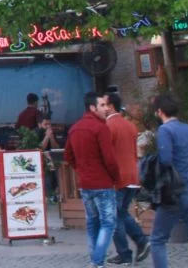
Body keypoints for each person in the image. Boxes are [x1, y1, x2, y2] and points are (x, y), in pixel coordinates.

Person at [149, 93, 188, 268]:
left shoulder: (165, 130)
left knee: (157, 239)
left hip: (176, 192)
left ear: (159, 112)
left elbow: (165, 160)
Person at [65, 91, 121, 268]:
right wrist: (115, 177)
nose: (106, 108)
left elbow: (68, 155)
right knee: (108, 223)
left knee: (92, 222)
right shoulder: (100, 128)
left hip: (86, 183)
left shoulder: (74, 128)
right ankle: (97, 261)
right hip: (103, 183)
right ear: (92, 108)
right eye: (103, 105)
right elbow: (110, 159)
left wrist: (80, 169)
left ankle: (95, 260)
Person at [106, 92, 151, 264]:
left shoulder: (109, 126)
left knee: (115, 216)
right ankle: (141, 242)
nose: (102, 107)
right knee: (122, 213)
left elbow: (108, 155)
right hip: (132, 175)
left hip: (118, 178)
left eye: (104, 104)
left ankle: (125, 252)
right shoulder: (130, 125)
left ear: (110, 106)